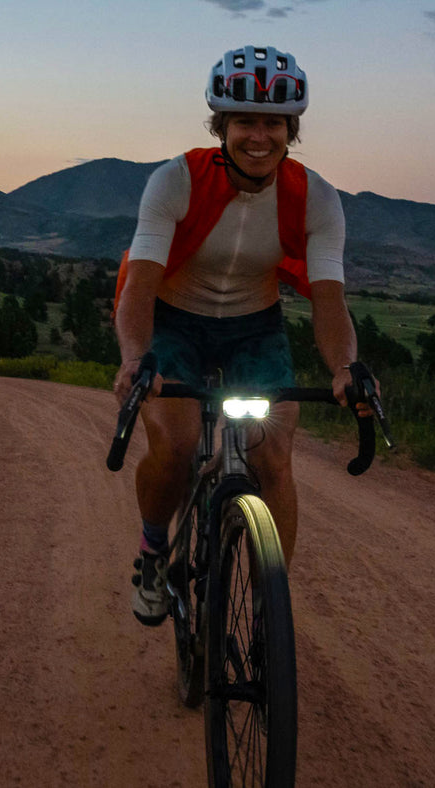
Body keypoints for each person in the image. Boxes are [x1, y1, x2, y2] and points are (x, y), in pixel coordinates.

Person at [113, 46, 374, 626]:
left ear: (291, 130)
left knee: (274, 457)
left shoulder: (316, 198)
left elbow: (331, 302)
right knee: (177, 447)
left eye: (273, 123)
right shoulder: (175, 181)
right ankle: (155, 551)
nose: (259, 136)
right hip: (173, 322)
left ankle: (268, 600)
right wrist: (136, 359)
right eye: (244, 122)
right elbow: (139, 286)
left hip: (255, 326)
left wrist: (343, 368)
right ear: (221, 127)